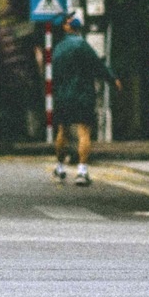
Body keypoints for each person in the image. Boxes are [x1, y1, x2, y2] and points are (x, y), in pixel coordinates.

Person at [50, 10, 119, 186]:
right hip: (82, 95)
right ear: (65, 26)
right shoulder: (81, 44)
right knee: (84, 132)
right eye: (70, 19)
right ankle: (82, 171)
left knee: (62, 131)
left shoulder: (57, 48)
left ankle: (59, 167)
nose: (74, 20)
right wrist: (113, 79)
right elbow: (98, 65)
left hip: (62, 97)